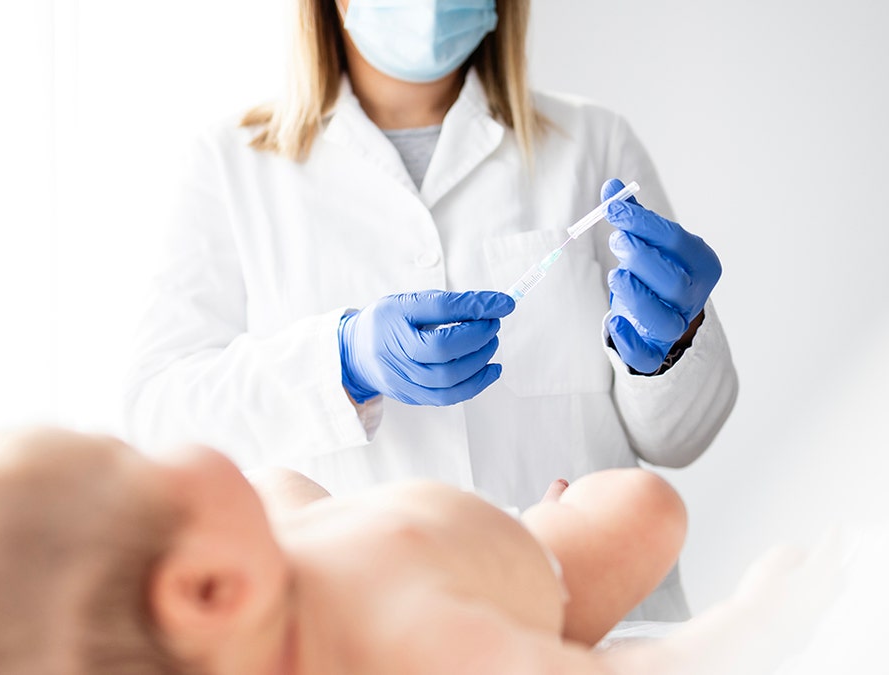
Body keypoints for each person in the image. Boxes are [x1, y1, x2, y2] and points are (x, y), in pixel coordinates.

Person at [125, 0, 738, 619]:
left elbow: (682, 439)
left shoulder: (593, 142)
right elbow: (160, 419)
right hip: (362, 628)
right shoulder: (228, 165)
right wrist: (341, 360)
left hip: (591, 622)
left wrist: (674, 345)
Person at [0, 428, 833, 675]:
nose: (160, 447)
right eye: (134, 461)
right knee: (644, 507)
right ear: (209, 590)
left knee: (279, 481)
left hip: (332, 538)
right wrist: (742, 626)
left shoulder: (245, 584)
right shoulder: (421, 642)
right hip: (522, 568)